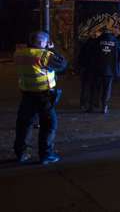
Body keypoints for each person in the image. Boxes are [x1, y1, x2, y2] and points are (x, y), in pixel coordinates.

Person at [14, 31, 68, 164]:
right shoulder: (44, 55)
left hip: (27, 94)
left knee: (24, 124)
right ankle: (46, 155)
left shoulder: (19, 53)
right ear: (42, 43)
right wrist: (52, 48)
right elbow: (63, 64)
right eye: (46, 42)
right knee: (49, 124)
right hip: (44, 96)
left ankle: (21, 153)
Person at [95, 28, 120, 114]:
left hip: (98, 68)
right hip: (110, 69)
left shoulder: (98, 41)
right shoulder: (116, 42)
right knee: (107, 88)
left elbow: (92, 53)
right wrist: (119, 62)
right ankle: (104, 106)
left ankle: (95, 103)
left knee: (97, 86)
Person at [79, 30, 100, 112]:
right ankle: (95, 102)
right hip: (96, 69)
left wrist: (81, 67)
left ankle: (83, 103)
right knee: (95, 87)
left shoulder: (85, 45)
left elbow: (81, 57)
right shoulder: (98, 45)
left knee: (85, 87)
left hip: (86, 68)